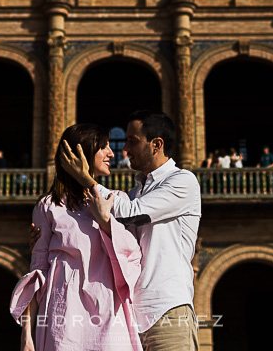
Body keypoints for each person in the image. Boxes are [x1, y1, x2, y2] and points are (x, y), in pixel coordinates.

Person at [61, 110, 201, 350]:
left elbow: (131, 212)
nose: (124, 149)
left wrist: (86, 179)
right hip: (131, 317)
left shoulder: (182, 181)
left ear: (157, 144)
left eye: (133, 141)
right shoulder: (136, 192)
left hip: (167, 310)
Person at [11, 124, 142, 351]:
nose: (112, 153)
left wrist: (104, 219)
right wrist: (27, 335)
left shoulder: (115, 200)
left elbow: (132, 255)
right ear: (82, 153)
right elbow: (38, 271)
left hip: (108, 307)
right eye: (104, 147)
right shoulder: (49, 206)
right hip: (63, 311)